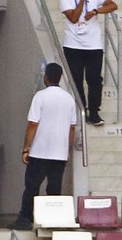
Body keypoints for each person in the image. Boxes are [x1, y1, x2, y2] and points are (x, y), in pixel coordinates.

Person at [13, 63, 78, 230]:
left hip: (40, 151)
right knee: (54, 188)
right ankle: (52, 220)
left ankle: (26, 219)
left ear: (46, 77)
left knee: (32, 187)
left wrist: (26, 147)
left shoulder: (40, 96)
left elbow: (33, 124)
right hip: (59, 153)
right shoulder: (69, 99)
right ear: (60, 77)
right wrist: (67, 151)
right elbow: (72, 128)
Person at [59, 0, 117, 126]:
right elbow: (73, 18)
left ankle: (94, 112)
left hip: (93, 45)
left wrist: (97, 10)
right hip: (73, 45)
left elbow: (113, 5)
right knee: (76, 80)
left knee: (94, 80)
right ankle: (80, 110)